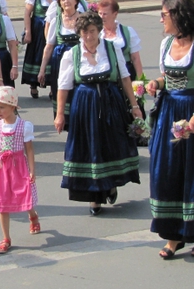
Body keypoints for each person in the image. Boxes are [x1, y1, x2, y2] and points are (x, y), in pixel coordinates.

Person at [145, 0, 194, 260]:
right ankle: (173, 235)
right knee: (167, 171)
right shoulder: (166, 44)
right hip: (169, 113)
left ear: (179, 15)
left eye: (164, 14)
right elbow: (167, 78)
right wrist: (156, 83)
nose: (161, 20)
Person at [56, 12, 142, 215]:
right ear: (79, 33)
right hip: (85, 106)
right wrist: (60, 114)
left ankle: (110, 184)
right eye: (84, 32)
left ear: (99, 30)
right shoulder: (72, 54)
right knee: (89, 149)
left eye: (92, 31)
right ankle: (94, 198)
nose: (89, 36)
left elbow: (125, 78)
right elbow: (63, 86)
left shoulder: (112, 48)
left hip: (111, 103)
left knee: (110, 145)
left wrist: (134, 106)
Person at [0, 87, 39, 254]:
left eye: (2, 107)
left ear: (13, 107)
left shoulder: (23, 126)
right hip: (1, 167)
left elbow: (29, 150)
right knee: (2, 202)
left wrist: (32, 170)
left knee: (24, 194)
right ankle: (6, 238)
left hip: (19, 165)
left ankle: (32, 215)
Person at [97, 0, 147, 144]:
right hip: (108, 74)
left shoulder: (127, 31)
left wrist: (140, 81)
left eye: (105, 14)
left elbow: (136, 58)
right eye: (100, 13)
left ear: (115, 14)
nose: (101, 17)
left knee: (133, 103)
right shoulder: (98, 33)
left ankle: (137, 135)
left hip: (127, 71)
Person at [39, 0, 82, 126]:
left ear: (76, 1)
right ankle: (64, 119)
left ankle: (79, 121)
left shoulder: (83, 19)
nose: (66, 2)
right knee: (62, 89)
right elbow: (49, 46)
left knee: (78, 90)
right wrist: (42, 69)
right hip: (59, 62)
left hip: (80, 60)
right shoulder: (56, 21)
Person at [22, 0, 57, 98]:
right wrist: (28, 31)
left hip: (52, 28)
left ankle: (52, 86)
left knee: (52, 56)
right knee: (36, 55)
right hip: (37, 29)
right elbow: (27, 14)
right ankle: (33, 84)